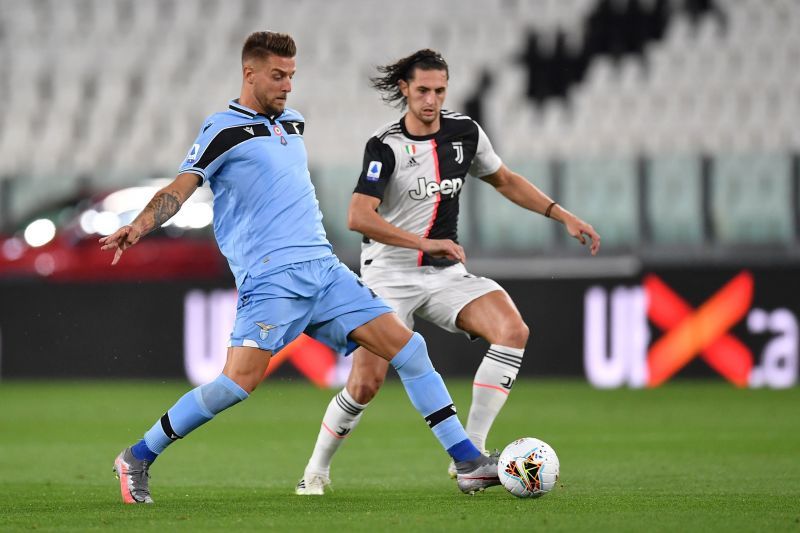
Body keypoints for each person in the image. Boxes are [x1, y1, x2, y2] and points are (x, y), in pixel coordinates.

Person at [102, 33, 500, 504]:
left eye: (292, 75)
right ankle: (138, 456)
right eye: (277, 75)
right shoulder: (222, 129)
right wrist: (141, 225)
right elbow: (182, 186)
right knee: (236, 384)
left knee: (409, 349)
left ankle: (467, 462)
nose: (287, 85)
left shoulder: (293, 122)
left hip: (324, 270)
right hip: (271, 278)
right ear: (249, 73)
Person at [295, 49, 600, 495]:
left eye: (439, 90)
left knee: (512, 330)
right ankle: (315, 470)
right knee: (365, 383)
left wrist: (561, 214)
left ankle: (470, 457)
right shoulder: (386, 145)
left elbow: (506, 180)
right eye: (423, 90)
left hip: (443, 276)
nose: (431, 100)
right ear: (405, 89)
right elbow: (358, 216)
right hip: (387, 277)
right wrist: (424, 241)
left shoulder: (465, 134)